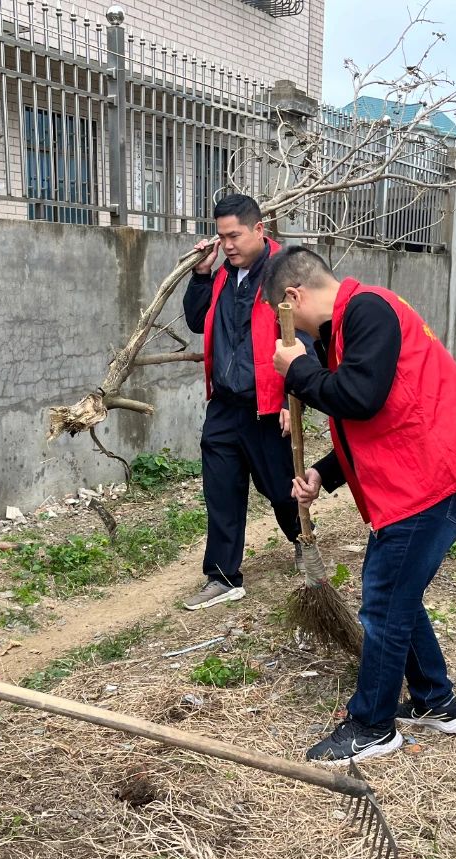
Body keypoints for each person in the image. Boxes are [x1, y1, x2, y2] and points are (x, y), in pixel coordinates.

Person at [264, 247, 456, 764]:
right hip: (425, 478)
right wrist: (323, 473)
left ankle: (373, 726)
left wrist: (298, 371)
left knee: (382, 600)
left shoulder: (368, 311)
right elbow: (371, 416)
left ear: (294, 298)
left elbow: (359, 398)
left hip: (436, 481)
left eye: (283, 318)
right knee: (399, 592)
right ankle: (437, 702)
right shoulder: (352, 323)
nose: (298, 334)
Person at [180, 194, 312, 610]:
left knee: (279, 488)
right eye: (222, 237)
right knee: (221, 490)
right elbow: (198, 321)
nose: (228, 245)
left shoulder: (285, 273)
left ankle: (304, 541)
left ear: (259, 229)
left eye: (234, 235)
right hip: (224, 404)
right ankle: (222, 576)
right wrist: (201, 275)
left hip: (269, 404)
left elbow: (304, 335)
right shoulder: (221, 275)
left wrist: (295, 400)